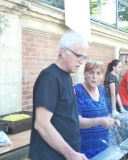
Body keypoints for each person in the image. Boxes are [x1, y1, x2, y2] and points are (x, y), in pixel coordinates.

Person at [29, 31, 89, 160]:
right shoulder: (49, 78)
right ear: (63, 52)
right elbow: (41, 124)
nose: (82, 61)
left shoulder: (66, 76)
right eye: (79, 55)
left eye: (84, 57)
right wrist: (71, 154)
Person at [74, 60, 121, 159]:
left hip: (103, 145)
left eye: (98, 73)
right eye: (91, 72)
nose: (94, 76)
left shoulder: (101, 90)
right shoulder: (77, 91)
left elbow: (103, 115)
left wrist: (112, 121)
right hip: (84, 150)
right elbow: (75, 121)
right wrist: (99, 121)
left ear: (102, 76)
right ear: (85, 74)